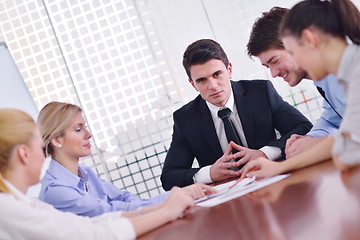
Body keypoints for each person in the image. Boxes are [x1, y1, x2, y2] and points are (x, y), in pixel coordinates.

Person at [0, 108, 194, 239]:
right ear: (24, 153)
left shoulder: (22, 202)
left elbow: (89, 222)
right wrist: (167, 210)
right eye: (39, 146)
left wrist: (163, 206)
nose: (44, 154)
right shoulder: (8, 208)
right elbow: (93, 233)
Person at [160, 39, 313, 190]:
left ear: (229, 70)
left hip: (275, 183)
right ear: (193, 84)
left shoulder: (260, 92)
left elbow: (304, 127)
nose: (212, 86)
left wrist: (264, 153)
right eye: (201, 80)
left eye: (217, 74)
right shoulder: (186, 119)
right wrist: (210, 173)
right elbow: (169, 177)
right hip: (228, 196)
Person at [241, 0, 360, 177]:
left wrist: (326, 144)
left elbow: (348, 151)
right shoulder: (345, 74)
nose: (273, 74)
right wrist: (283, 165)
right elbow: (346, 133)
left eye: (294, 52)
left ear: (310, 40)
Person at [38, 101, 215, 217]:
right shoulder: (55, 191)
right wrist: (173, 198)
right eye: (78, 129)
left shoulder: (85, 173)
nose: (88, 134)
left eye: (85, 127)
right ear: (57, 140)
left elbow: (124, 199)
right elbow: (109, 213)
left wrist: (178, 195)